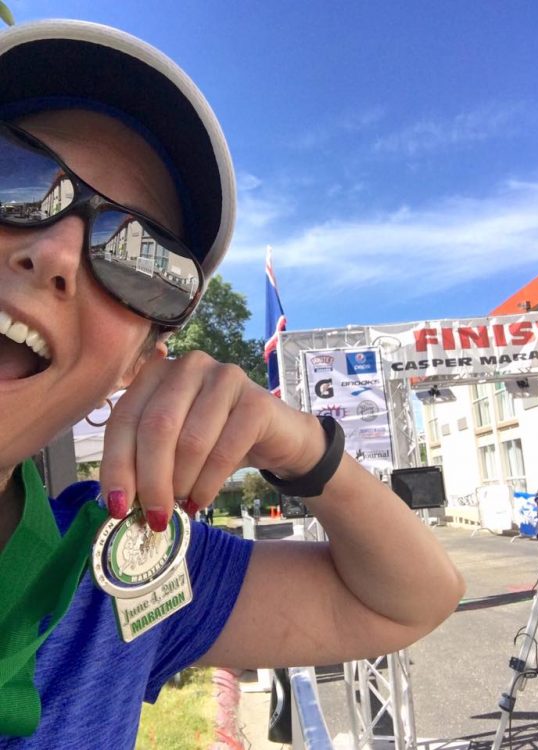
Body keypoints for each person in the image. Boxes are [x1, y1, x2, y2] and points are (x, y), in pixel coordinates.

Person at [0, 18, 465, 748]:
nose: (56, 251)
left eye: (139, 258)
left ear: (134, 367)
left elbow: (411, 599)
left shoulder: (115, 577)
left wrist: (300, 445)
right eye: (13, 173)